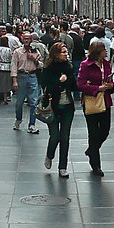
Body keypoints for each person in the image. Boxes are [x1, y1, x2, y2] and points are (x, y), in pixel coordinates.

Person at [40, 42, 78, 178]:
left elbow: (73, 86)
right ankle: (50, 155)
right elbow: (46, 86)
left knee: (65, 137)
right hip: (53, 106)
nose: (66, 54)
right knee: (55, 136)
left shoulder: (69, 67)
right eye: (63, 52)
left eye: (66, 52)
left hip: (67, 106)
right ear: (56, 54)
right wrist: (59, 81)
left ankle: (63, 167)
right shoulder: (48, 68)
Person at [77, 40, 114, 177]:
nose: (106, 51)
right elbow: (80, 84)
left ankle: (91, 150)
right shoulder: (85, 65)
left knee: (105, 130)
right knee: (93, 133)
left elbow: (110, 79)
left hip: (105, 100)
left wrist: (110, 85)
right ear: (98, 52)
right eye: (104, 49)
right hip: (91, 101)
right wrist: (97, 88)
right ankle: (96, 164)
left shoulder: (106, 64)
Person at [11, 31, 44, 134]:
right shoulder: (17, 52)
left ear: (31, 40)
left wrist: (34, 59)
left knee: (33, 102)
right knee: (19, 102)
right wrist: (14, 80)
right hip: (21, 76)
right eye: (24, 39)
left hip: (32, 76)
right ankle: (18, 118)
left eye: (28, 39)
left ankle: (32, 125)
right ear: (22, 39)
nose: (26, 41)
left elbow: (41, 65)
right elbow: (13, 66)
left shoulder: (35, 51)